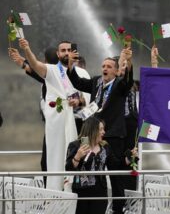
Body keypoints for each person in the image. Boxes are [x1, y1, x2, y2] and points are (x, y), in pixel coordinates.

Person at [15, 38, 88, 191]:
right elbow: (34, 65)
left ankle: (75, 197)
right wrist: (27, 49)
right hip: (56, 124)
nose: (67, 53)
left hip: (78, 125)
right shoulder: (52, 70)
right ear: (58, 53)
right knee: (52, 160)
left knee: (76, 160)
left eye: (69, 50)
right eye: (63, 50)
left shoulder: (81, 72)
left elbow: (88, 100)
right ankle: (54, 196)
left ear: (74, 52)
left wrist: (78, 102)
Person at [67, 48, 133, 213]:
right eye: (103, 66)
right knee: (86, 169)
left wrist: (129, 63)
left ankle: (118, 209)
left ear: (116, 71)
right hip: (92, 135)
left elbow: (128, 83)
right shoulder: (97, 81)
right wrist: (70, 65)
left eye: (109, 66)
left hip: (113, 135)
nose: (105, 69)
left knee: (115, 176)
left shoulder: (119, 84)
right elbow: (78, 82)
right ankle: (88, 204)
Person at [65, 116, 137, 214]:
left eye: (103, 129)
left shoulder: (105, 146)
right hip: (81, 193)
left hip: (100, 193)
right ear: (92, 130)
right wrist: (77, 156)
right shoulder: (76, 145)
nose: (104, 132)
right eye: (101, 129)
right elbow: (68, 169)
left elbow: (115, 165)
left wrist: (129, 157)